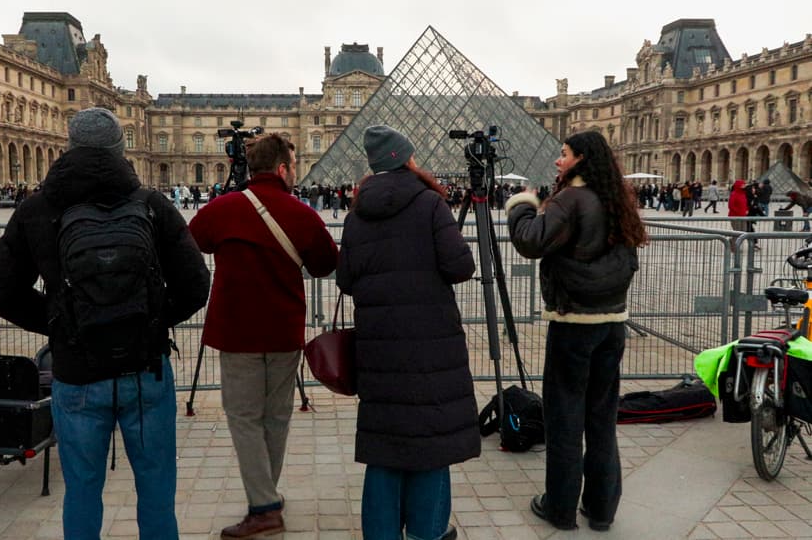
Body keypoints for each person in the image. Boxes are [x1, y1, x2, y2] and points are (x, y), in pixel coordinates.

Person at [0, 108, 211, 540]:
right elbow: (196, 285)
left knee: (83, 490)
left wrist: (62, 324)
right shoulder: (151, 205)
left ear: (69, 147)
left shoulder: (37, 209)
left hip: (77, 372)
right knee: (157, 490)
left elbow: (2, 294)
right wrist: (151, 322)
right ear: (120, 150)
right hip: (145, 373)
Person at [189, 134, 338, 540]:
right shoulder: (301, 213)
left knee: (243, 419)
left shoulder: (223, 208)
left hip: (236, 331)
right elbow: (326, 265)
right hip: (284, 330)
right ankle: (265, 496)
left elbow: (193, 243)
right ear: (284, 169)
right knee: (276, 416)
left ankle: (265, 506)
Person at [337, 125, 479, 540]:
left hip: (378, 348)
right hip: (432, 347)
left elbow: (345, 279)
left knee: (384, 445)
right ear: (406, 158)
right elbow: (460, 267)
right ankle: (427, 532)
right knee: (431, 443)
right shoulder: (431, 205)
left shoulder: (355, 215)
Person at [506, 131, 647, 532]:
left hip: (573, 326)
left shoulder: (571, 199)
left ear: (581, 158)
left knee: (565, 418)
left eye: (564, 154)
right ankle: (602, 509)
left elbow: (531, 241)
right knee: (601, 420)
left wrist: (521, 206)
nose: (557, 161)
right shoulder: (615, 200)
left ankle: (561, 507)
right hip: (611, 325)